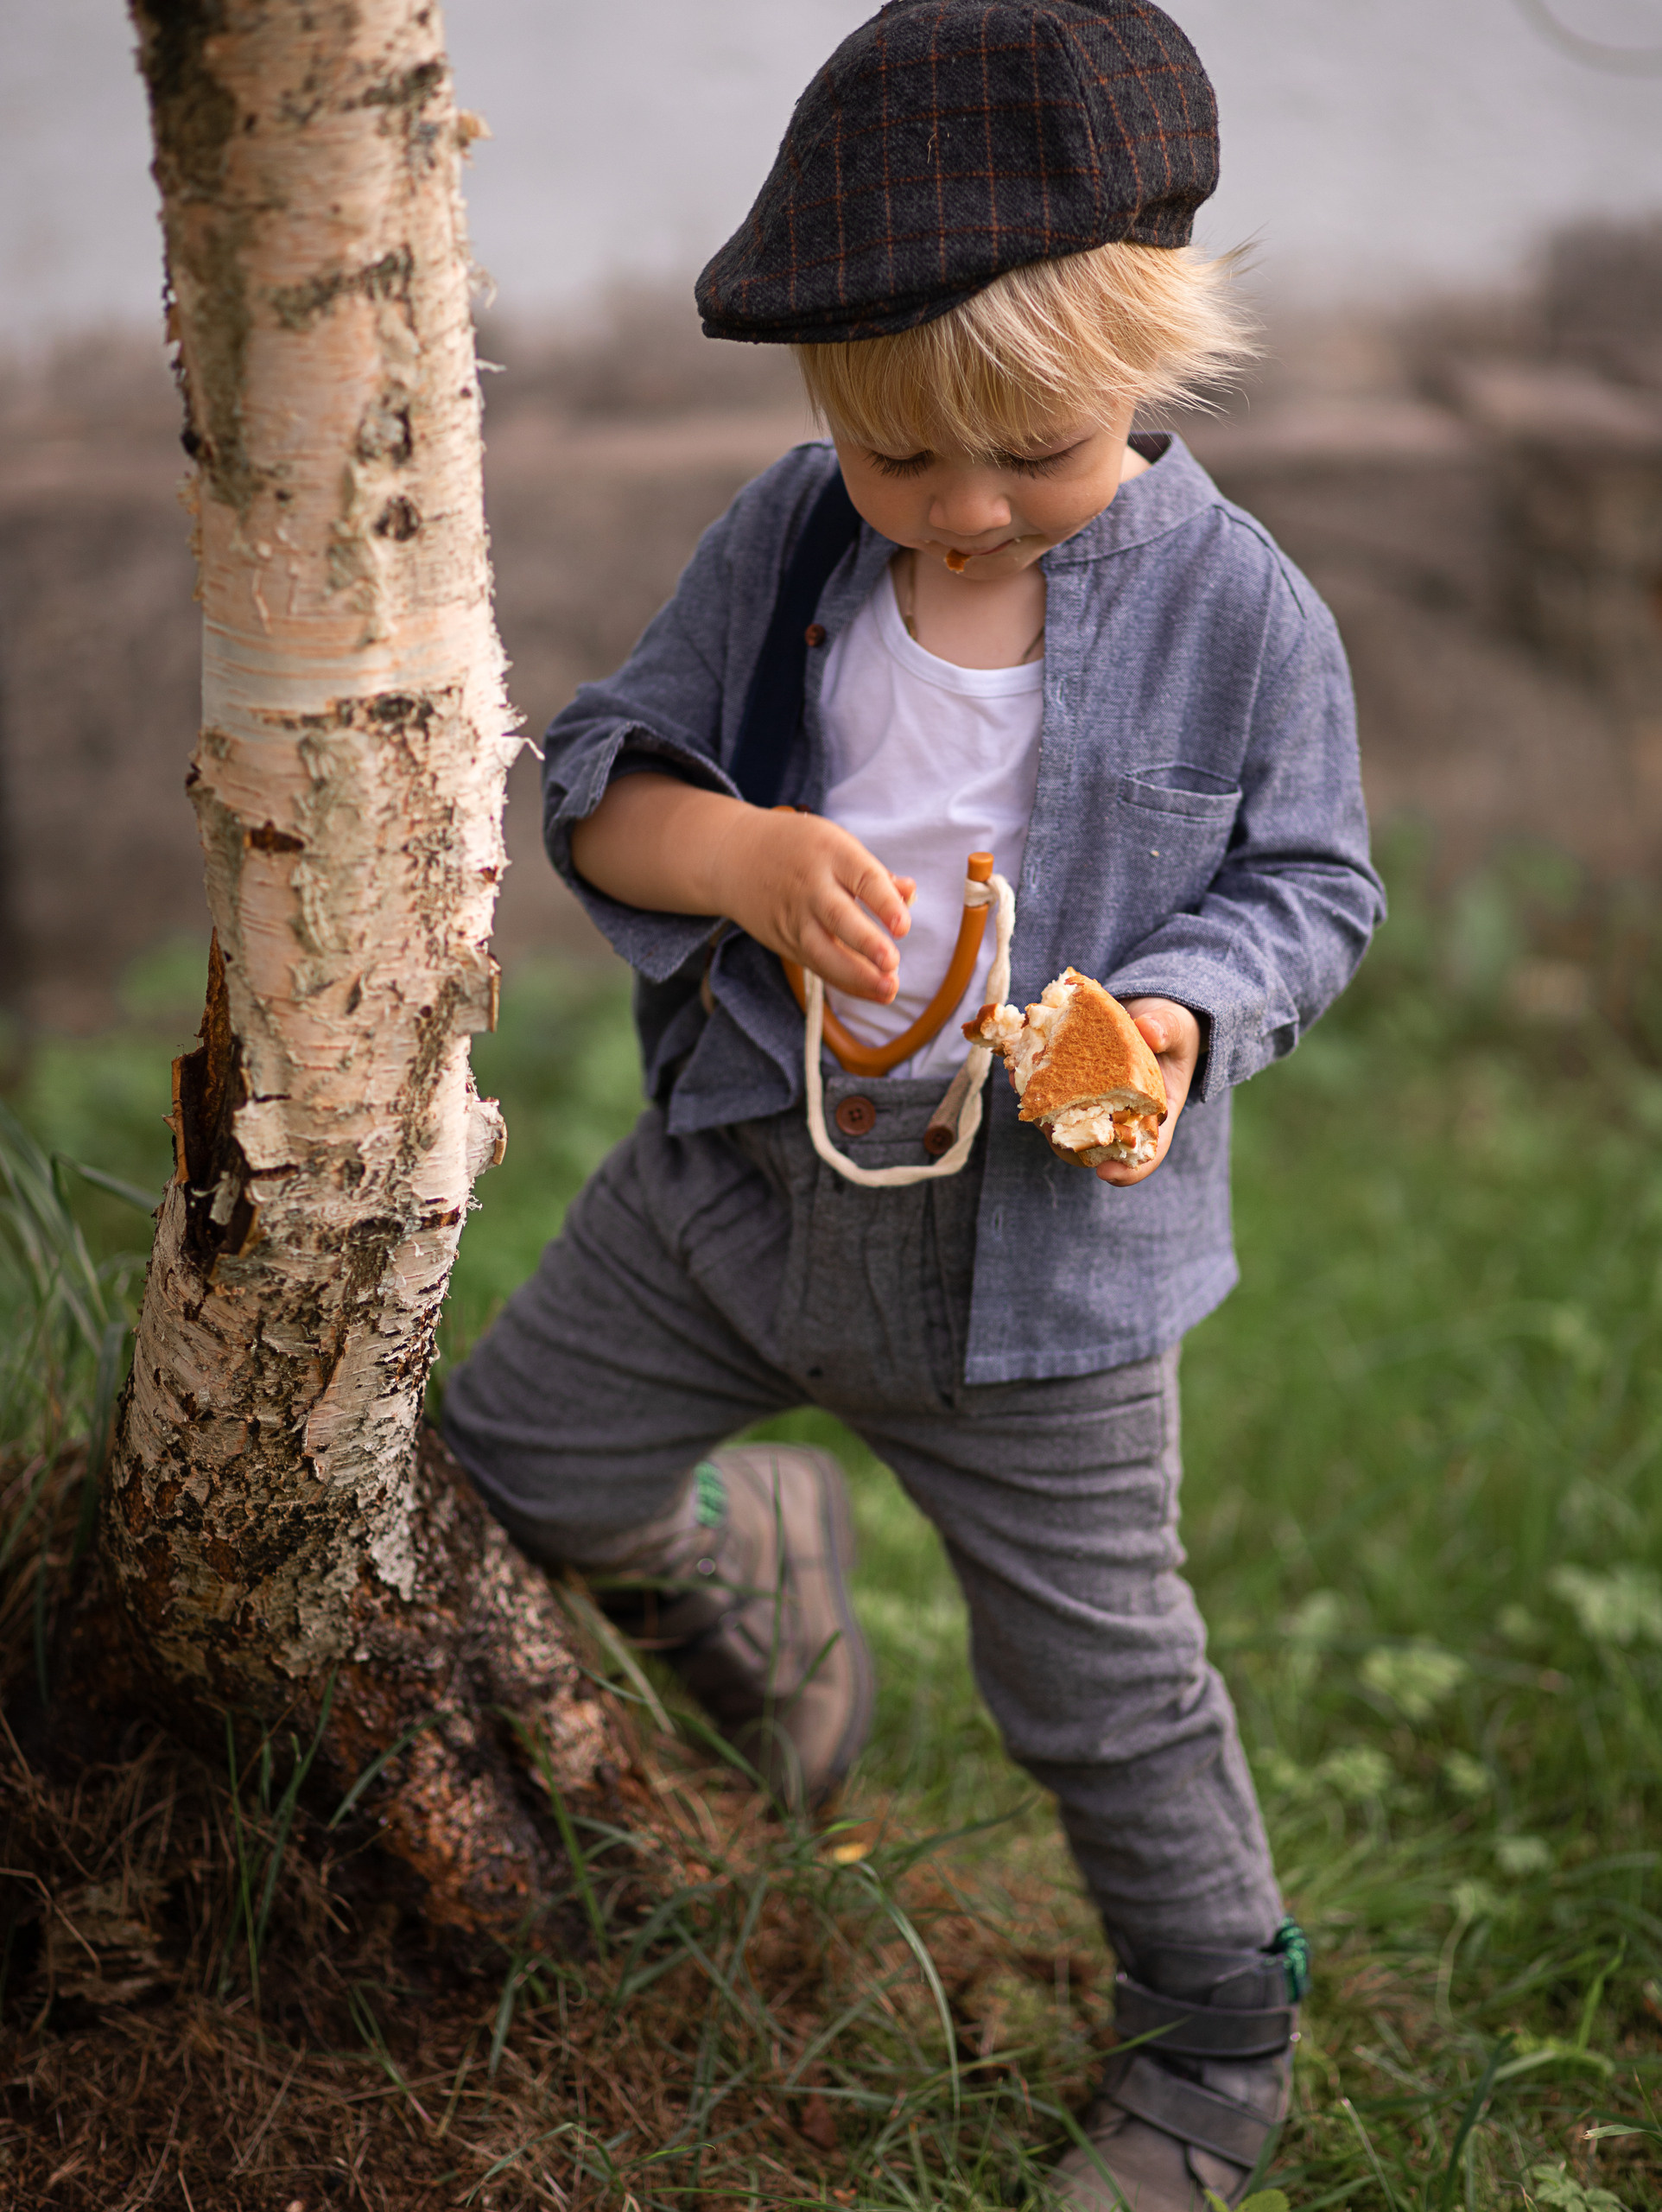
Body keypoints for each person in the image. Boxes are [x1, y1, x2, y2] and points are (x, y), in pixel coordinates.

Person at [441, 3, 1384, 2203]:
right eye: (899, 459)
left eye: (1028, 454)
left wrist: (1168, 1018)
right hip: (738, 1186)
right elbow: (598, 773)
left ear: (1148, 361)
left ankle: (1207, 2049)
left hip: (1037, 1272)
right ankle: (753, 1589)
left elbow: (1312, 879)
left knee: (1103, 1690)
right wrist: (738, 858)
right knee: (511, 1471)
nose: (958, 509)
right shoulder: (791, 540)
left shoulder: (1238, 611)